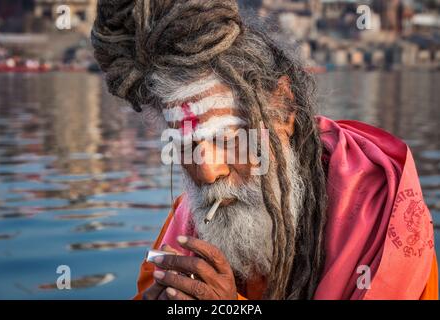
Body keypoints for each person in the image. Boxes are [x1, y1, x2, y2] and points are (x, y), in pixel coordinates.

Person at [91, 0, 437, 300]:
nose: (208, 171)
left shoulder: (377, 213)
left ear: (282, 109)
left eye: (228, 139)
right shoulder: (187, 220)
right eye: (185, 147)